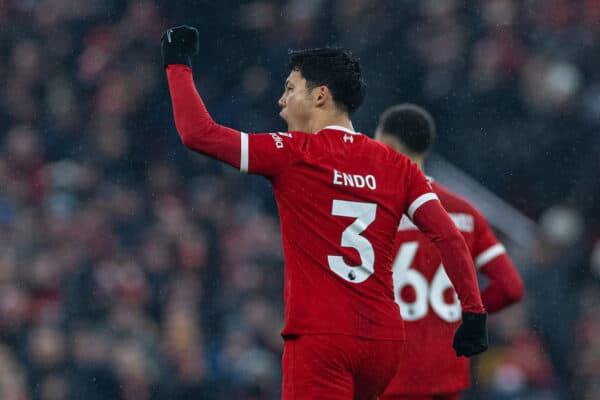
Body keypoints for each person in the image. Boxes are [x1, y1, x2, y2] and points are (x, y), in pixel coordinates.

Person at [161, 26, 488, 400]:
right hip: (382, 343)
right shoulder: (396, 165)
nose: (280, 101)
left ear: (320, 96)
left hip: (322, 340)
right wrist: (474, 312)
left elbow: (198, 133)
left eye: (289, 89)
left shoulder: (294, 152)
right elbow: (448, 235)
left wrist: (177, 62)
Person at [374, 104, 524, 400]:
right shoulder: (465, 213)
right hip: (446, 377)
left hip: (388, 376)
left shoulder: (370, 212)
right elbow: (510, 287)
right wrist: (461, 314)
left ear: (388, 146)